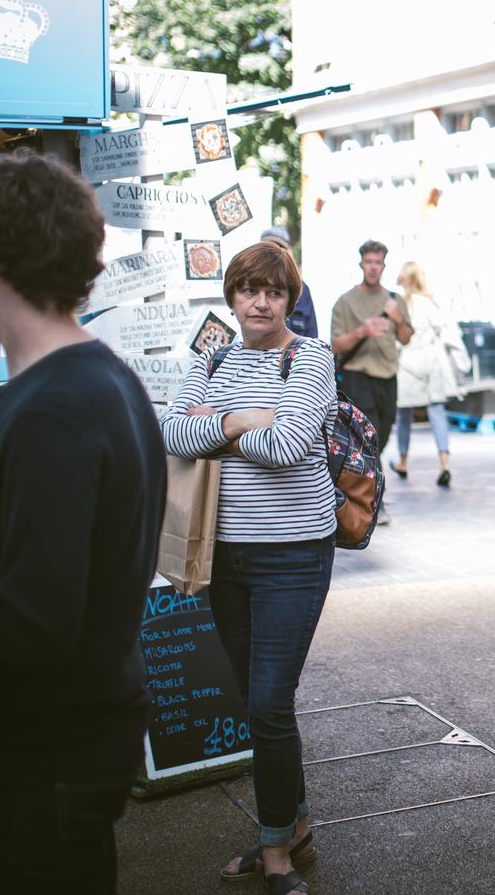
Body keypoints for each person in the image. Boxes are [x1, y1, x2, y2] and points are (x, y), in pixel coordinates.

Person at [0, 151, 165, 890]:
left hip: (44, 763)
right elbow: (72, 555)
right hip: (81, 743)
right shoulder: (102, 376)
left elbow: (36, 624)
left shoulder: (53, 407)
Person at [159, 241, 337, 895]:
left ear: (290, 299)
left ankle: (277, 851)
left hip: (294, 553)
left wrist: (219, 422)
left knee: (269, 701)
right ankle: (296, 822)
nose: (260, 301)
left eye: (273, 291)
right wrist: (247, 417)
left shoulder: (310, 357)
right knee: (255, 700)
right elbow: (172, 434)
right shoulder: (213, 357)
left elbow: (291, 445)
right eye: (247, 289)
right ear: (231, 296)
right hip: (224, 555)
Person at [330, 239, 412, 524]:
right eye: (369, 262)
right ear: (361, 264)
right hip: (358, 376)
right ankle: (376, 501)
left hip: (387, 376)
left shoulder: (393, 299)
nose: (373, 267)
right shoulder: (346, 301)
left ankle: (366, 495)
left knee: (385, 433)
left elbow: (405, 337)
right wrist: (363, 331)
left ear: (384, 265)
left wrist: (398, 318)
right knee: (371, 438)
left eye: (378, 262)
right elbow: (336, 345)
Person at [392, 261, 466, 487]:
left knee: (403, 415)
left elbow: (395, 338)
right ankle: (444, 463)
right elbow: (448, 333)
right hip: (433, 363)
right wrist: (461, 362)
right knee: (437, 412)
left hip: (407, 363)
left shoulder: (398, 305)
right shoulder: (431, 304)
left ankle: (403, 461)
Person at [262, 225, 319, 338]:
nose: (274, 254)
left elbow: (312, 335)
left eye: (279, 247)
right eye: (268, 248)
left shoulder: (302, 289)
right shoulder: (249, 286)